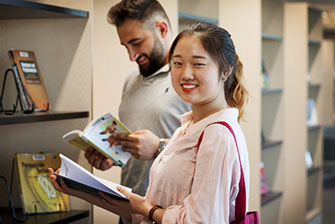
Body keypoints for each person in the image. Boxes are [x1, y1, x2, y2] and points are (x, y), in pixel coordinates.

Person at [49, 22, 250, 223]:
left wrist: (146, 208)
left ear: (225, 70)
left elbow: (199, 221)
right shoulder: (188, 127)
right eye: (178, 63)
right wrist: (81, 189)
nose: (186, 74)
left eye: (198, 63)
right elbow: (150, 211)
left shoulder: (217, 136)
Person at [85, 0, 191, 198]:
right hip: (129, 207)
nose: (132, 56)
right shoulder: (131, 80)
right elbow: (136, 150)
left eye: (136, 43)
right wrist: (112, 156)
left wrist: (160, 147)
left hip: (171, 212)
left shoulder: (190, 79)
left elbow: (209, 150)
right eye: (126, 47)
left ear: (162, 28)